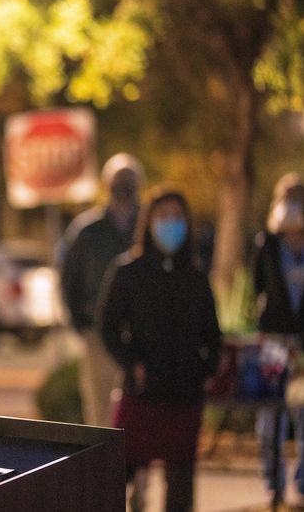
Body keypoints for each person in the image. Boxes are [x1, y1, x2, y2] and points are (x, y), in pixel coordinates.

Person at [98, 188, 222, 512]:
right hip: (141, 391)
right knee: (118, 472)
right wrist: (131, 362)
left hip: (184, 394)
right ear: (149, 221)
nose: (171, 223)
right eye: (163, 216)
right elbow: (108, 326)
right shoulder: (128, 272)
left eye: (177, 216)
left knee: (180, 482)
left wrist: (205, 370)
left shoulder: (196, 277)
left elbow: (213, 333)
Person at [59, 152, 143, 427]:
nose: (124, 189)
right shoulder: (87, 231)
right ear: (106, 184)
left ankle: (134, 469)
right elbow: (68, 279)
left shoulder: (146, 227)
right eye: (119, 181)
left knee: (138, 411)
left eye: (129, 182)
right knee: (100, 412)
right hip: (97, 334)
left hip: (140, 336)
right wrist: (79, 323)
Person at [253, 173, 304, 505]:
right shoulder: (268, 244)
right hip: (274, 342)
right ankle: (274, 481)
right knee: (271, 411)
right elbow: (260, 290)